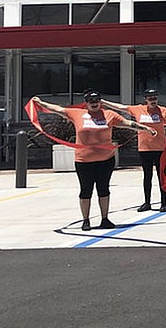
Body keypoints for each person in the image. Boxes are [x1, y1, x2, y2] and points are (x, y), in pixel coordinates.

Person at [32, 89, 156, 231]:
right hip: (83, 161)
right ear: (86, 103)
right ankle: (86, 220)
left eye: (97, 101)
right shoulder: (77, 114)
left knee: (104, 189)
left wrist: (145, 128)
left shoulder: (109, 115)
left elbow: (128, 123)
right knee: (86, 190)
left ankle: (105, 218)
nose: (94, 104)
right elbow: (57, 109)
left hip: (106, 160)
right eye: (91, 101)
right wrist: (40, 103)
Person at [102, 89, 166, 213]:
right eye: (150, 98)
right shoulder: (138, 109)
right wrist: (103, 102)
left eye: (155, 97)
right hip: (144, 148)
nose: (153, 100)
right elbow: (121, 107)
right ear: (145, 99)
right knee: (147, 176)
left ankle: (164, 203)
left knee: (162, 176)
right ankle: (147, 203)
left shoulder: (163, 111)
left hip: (160, 148)